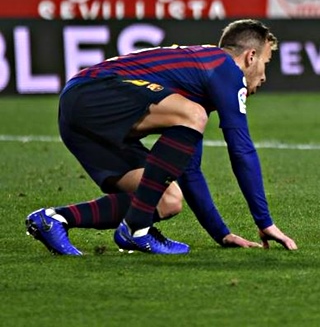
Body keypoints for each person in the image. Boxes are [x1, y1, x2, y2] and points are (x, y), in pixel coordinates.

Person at [26, 19, 297, 255]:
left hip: (78, 116)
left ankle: (53, 219)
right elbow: (241, 148)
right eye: (266, 63)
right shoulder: (225, 67)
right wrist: (265, 222)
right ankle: (136, 228)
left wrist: (221, 234)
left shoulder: (194, 87)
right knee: (193, 115)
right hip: (93, 92)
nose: (264, 76)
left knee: (168, 200)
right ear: (251, 57)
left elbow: (189, 169)